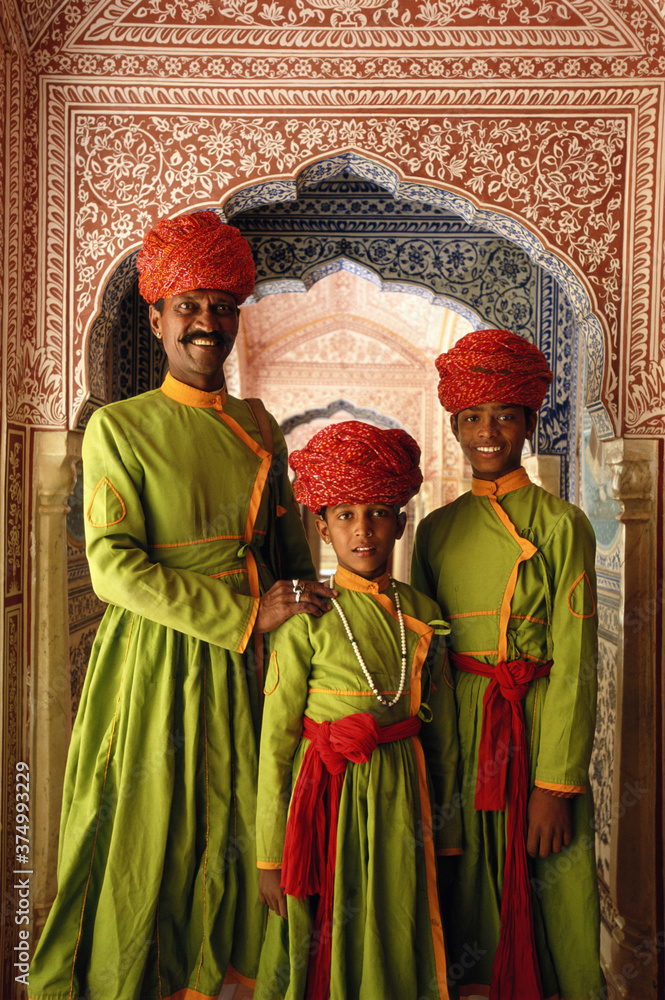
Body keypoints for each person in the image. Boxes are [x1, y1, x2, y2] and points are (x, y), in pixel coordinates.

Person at [29, 210, 334, 1000]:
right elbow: (112, 571)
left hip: (253, 669)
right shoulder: (120, 428)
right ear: (159, 316)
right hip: (156, 661)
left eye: (223, 307)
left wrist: (310, 624)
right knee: (145, 828)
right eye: (190, 306)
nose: (207, 323)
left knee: (242, 823)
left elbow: (288, 557)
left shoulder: (259, 424)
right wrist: (242, 614)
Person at [411, 329, 604, 1000]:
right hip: (459, 737)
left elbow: (575, 663)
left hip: (531, 728)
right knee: (461, 887)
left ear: (527, 421)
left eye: (502, 414)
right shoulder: (434, 530)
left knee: (549, 880)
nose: (486, 431)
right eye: (470, 416)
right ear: (455, 425)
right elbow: (427, 658)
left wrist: (556, 783)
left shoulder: (560, 524)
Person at [253, 420, 462, 1000]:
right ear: (321, 526)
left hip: (402, 792)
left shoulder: (421, 610)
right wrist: (270, 855)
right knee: (321, 932)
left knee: (395, 922)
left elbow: (440, 733)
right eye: (344, 515)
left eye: (377, 513)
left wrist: (447, 833)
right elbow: (276, 743)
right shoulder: (309, 616)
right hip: (323, 796)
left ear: (401, 520)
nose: (362, 530)